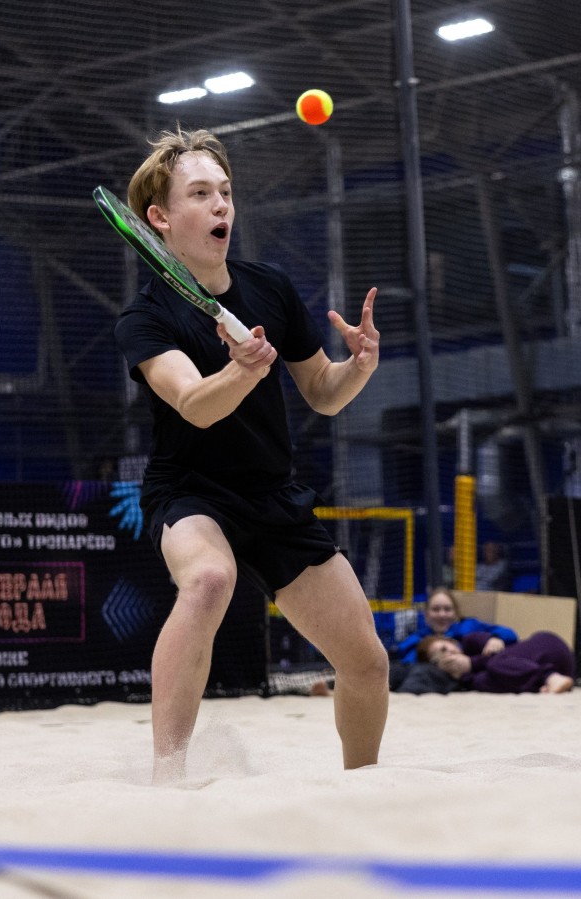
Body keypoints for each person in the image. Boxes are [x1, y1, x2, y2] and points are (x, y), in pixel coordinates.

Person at [114, 126, 388, 783]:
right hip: (192, 492)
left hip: (273, 496)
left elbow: (322, 392)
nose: (221, 205)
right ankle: (168, 776)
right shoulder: (144, 318)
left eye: (226, 192)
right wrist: (241, 371)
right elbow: (194, 404)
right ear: (160, 217)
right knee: (210, 579)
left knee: (368, 662)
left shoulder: (270, 288)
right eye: (200, 193)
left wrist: (358, 366)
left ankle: (365, 786)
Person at [416, 631, 576, 694]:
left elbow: (499, 654)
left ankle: (549, 677)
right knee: (481, 681)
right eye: (438, 658)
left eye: (444, 648)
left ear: (450, 641)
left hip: (548, 648)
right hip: (560, 671)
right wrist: (463, 676)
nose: (447, 655)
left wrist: (471, 662)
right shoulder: (457, 676)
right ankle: (546, 683)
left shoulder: (470, 641)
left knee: (495, 663)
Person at [395, 587, 517, 666]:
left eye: (447, 609)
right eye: (436, 609)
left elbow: (510, 633)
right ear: (426, 615)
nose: (442, 614)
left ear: (456, 613)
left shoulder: (469, 626)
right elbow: (406, 660)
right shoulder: (419, 639)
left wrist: (496, 638)